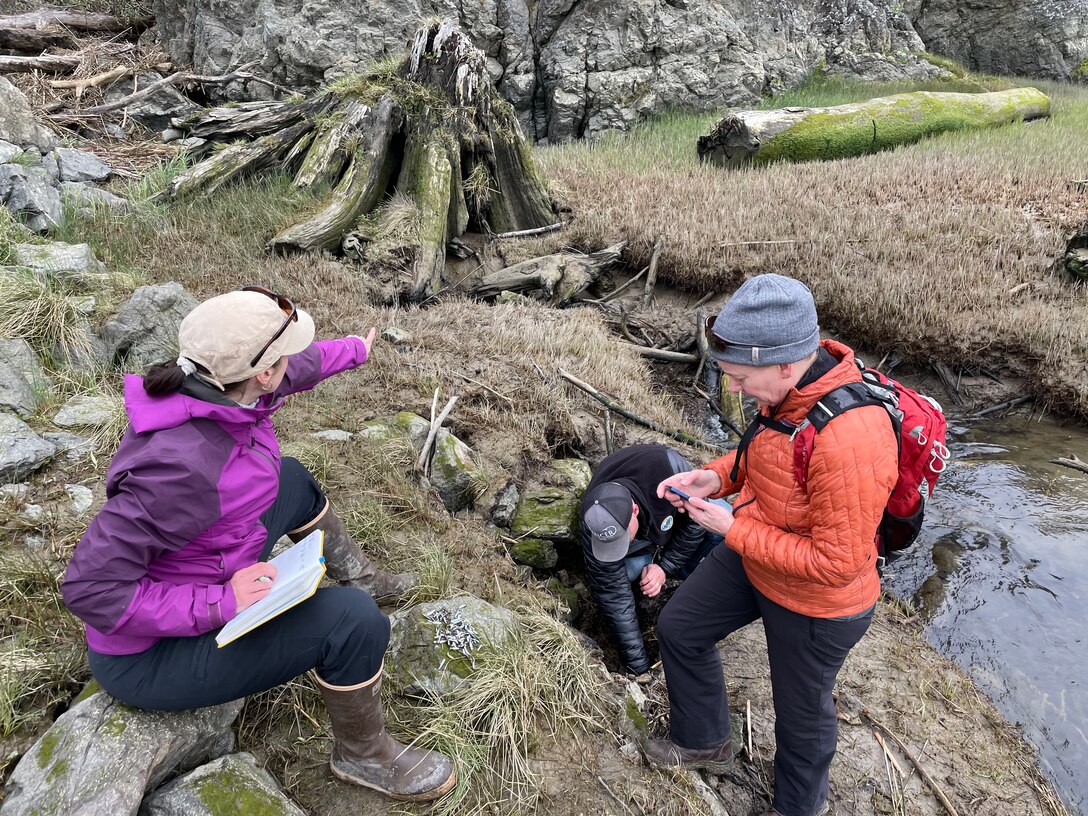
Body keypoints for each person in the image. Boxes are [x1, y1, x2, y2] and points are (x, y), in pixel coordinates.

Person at [60, 286, 455, 802]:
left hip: (204, 566)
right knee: (352, 621)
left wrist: (355, 349)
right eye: (280, 356)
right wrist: (222, 602)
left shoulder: (216, 387)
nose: (288, 365)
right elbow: (89, 589)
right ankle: (364, 755)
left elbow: (299, 367)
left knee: (289, 478)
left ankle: (361, 573)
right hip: (149, 659)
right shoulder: (179, 470)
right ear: (261, 372)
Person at [646, 274, 898, 816]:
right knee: (681, 628)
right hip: (761, 555)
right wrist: (713, 480)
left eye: (739, 377)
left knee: (800, 715)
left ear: (786, 362)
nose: (732, 389)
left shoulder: (852, 434)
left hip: (819, 602)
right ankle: (704, 742)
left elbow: (837, 564)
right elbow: (766, 461)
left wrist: (729, 529)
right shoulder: (788, 393)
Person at [579, 443, 721, 676]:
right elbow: (614, 595)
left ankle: (684, 586)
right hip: (645, 543)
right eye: (611, 545)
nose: (617, 548)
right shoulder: (593, 519)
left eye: (622, 539)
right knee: (626, 575)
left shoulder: (669, 475)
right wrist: (639, 667)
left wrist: (664, 567)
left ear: (634, 510)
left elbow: (696, 523)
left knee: (719, 535)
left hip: (673, 520)